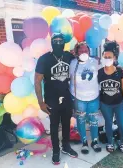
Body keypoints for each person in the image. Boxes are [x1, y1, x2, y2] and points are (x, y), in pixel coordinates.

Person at [35, 33, 78, 165]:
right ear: (52, 43)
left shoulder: (69, 56)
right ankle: (56, 151)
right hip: (51, 99)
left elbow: (81, 64)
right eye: (56, 41)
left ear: (64, 43)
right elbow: (37, 81)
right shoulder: (44, 59)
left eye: (61, 41)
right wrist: (41, 102)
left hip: (66, 97)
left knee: (66, 124)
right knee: (54, 126)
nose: (58, 43)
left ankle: (66, 146)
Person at [69, 42, 102, 154]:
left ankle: (94, 141)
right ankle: (84, 142)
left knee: (94, 120)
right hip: (79, 98)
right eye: (81, 50)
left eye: (86, 50)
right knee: (81, 120)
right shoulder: (73, 64)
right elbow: (69, 79)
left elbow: (104, 72)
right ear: (77, 52)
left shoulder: (96, 62)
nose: (84, 52)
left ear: (89, 51)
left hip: (94, 98)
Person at [98, 41, 123, 153]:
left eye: (109, 57)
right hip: (105, 104)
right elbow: (96, 89)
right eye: (105, 57)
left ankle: (122, 142)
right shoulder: (99, 73)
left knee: (122, 125)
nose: (107, 59)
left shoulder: (119, 71)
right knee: (108, 124)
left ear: (114, 57)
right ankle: (110, 142)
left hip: (119, 103)